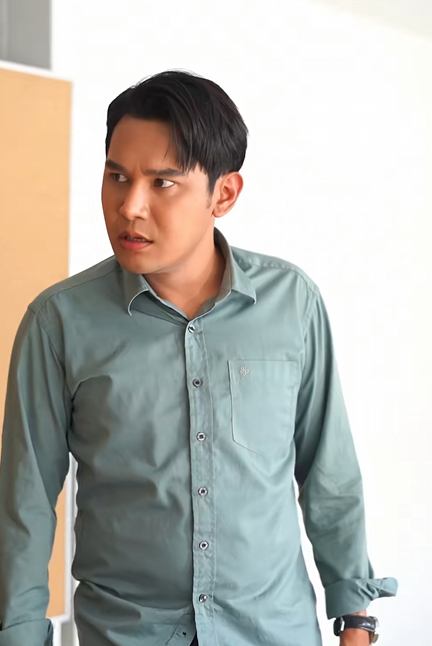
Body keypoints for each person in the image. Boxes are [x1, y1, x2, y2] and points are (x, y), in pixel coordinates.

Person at [0, 70, 397, 646]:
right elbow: (25, 503)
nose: (130, 206)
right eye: (117, 176)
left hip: (274, 632)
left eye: (162, 182)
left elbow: (328, 471)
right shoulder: (57, 322)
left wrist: (357, 620)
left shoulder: (292, 303)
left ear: (224, 194)